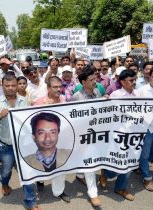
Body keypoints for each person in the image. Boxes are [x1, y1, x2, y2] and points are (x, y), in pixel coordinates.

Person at [0, 73, 40, 210]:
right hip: (5, 146)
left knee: (27, 173)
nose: (10, 88)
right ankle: (4, 183)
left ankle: (30, 201)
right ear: (2, 86)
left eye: (13, 85)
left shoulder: (25, 102)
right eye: (7, 85)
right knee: (6, 171)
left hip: (23, 145)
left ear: (17, 86)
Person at [31, 76, 70, 203]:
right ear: (48, 88)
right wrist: (41, 109)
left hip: (59, 139)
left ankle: (58, 191)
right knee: (41, 164)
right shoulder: (38, 102)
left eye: (60, 86)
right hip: (43, 141)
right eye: (55, 87)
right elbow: (30, 120)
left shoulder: (63, 99)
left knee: (60, 165)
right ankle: (40, 180)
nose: (59, 89)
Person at [100, 69, 137, 201]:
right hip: (117, 134)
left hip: (132, 134)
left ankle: (120, 188)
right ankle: (106, 171)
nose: (134, 82)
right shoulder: (115, 95)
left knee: (128, 162)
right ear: (122, 81)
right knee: (116, 163)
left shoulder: (137, 95)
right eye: (131, 80)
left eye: (135, 80)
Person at [70, 67, 101, 207]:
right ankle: (93, 193)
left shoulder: (97, 92)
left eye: (95, 79)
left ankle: (79, 175)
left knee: (88, 159)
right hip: (82, 134)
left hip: (96, 133)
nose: (95, 82)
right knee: (89, 161)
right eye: (91, 80)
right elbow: (70, 116)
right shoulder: (76, 97)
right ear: (83, 82)